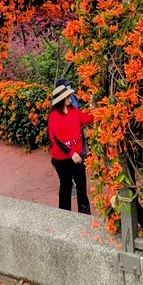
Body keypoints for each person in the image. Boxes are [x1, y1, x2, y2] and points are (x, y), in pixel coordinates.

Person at [47, 83, 94, 214]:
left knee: (81, 186)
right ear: (61, 100)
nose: (70, 98)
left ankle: (85, 216)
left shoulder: (74, 111)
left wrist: (96, 111)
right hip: (62, 159)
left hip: (77, 155)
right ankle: (64, 215)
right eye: (67, 96)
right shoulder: (54, 116)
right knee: (66, 186)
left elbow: (85, 119)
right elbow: (56, 138)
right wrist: (71, 152)